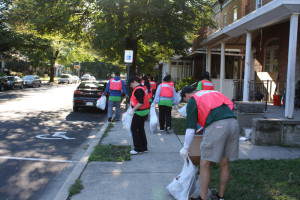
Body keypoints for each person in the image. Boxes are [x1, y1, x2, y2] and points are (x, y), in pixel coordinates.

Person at [179, 86, 239, 200]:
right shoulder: (211, 93)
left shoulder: (193, 100)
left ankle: (203, 197)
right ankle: (220, 197)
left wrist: (185, 148)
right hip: (233, 123)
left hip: (218, 126)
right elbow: (224, 108)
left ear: (186, 95)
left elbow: (190, 129)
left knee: (205, 163)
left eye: (184, 100)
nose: (186, 102)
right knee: (224, 163)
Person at [129, 77, 150, 155]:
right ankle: (144, 147)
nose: (131, 86)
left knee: (134, 129)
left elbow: (140, 102)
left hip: (140, 112)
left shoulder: (138, 90)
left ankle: (137, 148)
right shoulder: (141, 88)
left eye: (131, 84)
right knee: (141, 129)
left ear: (134, 81)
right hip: (144, 111)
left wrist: (133, 110)